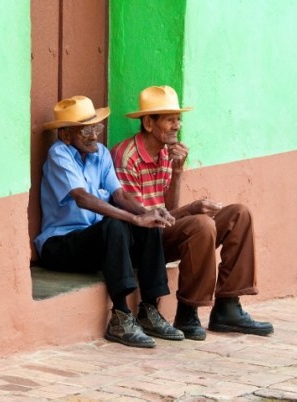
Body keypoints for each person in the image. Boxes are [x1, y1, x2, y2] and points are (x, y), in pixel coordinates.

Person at [111, 85, 274, 341]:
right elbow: (144, 219)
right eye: (169, 120)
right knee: (201, 225)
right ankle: (188, 312)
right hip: (142, 241)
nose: (177, 126)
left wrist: (177, 171)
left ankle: (228, 307)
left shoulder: (166, 152)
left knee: (239, 214)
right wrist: (192, 209)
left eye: (178, 119)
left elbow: (168, 208)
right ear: (148, 123)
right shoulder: (127, 157)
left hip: (162, 230)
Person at [35, 95, 184, 348]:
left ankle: (149, 308)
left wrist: (146, 213)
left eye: (97, 127)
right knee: (118, 224)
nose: (94, 135)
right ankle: (121, 315)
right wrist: (135, 218)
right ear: (66, 135)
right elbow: (82, 198)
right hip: (59, 244)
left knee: (149, 225)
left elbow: (119, 194)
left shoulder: (100, 153)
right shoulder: (59, 154)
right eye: (86, 130)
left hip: (94, 240)